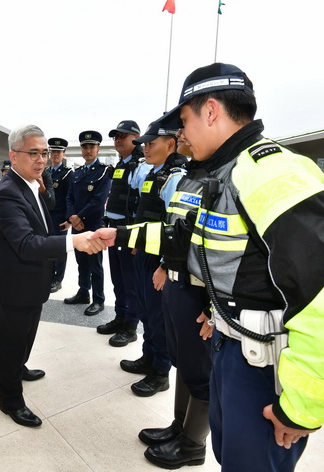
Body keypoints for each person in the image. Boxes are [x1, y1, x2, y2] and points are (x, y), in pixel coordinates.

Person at [92, 63, 324, 471]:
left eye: (184, 121)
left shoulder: (272, 174)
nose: (181, 134)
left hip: (262, 362)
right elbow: (193, 241)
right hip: (232, 345)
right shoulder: (224, 171)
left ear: (210, 111)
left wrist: (301, 410)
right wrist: (120, 235)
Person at [0, 125, 106, 428]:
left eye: (44, 153)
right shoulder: (7, 192)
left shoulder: (31, 184)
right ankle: (10, 399)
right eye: (33, 153)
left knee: (25, 336)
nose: (41, 160)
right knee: (9, 344)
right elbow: (26, 244)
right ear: (13, 155)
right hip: (12, 285)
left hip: (32, 281)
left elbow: (44, 219)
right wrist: (73, 242)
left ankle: (19, 368)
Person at [131, 123, 212, 468]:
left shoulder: (220, 177)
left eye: (185, 128)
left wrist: (215, 305)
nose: (182, 136)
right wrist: (166, 263)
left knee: (201, 370)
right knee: (187, 362)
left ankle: (193, 445)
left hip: (201, 289)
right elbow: (177, 229)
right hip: (181, 280)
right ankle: (180, 428)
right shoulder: (193, 174)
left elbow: (223, 248)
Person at [97, 120, 144, 348]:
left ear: (136, 137)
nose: (118, 140)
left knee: (130, 282)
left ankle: (130, 326)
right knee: (118, 280)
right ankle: (120, 317)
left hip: (128, 231)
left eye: (122, 136)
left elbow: (142, 204)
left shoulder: (141, 165)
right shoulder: (121, 164)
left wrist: (137, 237)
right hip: (115, 230)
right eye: (115, 136)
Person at [63, 130, 111, 316]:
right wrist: (72, 217)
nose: (88, 150)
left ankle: (98, 299)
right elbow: (69, 197)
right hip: (77, 225)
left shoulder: (104, 172)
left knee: (95, 264)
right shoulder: (77, 173)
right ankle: (83, 292)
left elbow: (99, 200)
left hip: (92, 225)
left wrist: (79, 217)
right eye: (85, 147)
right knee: (81, 261)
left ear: (98, 149)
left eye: (92, 146)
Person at [47, 138, 73, 293]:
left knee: (60, 249)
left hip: (60, 218)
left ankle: (58, 279)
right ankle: (49, 276)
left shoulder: (68, 174)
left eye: (59, 152)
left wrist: (69, 219)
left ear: (64, 154)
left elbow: (70, 197)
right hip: (47, 217)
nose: (55, 155)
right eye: (53, 151)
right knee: (48, 248)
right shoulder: (46, 172)